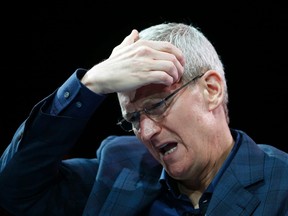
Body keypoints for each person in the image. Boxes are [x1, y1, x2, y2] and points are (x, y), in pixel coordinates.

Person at [0, 22, 287, 216]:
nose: (146, 131)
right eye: (133, 119)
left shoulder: (282, 183)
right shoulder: (116, 168)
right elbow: (15, 189)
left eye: (158, 105)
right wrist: (89, 85)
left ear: (211, 90)